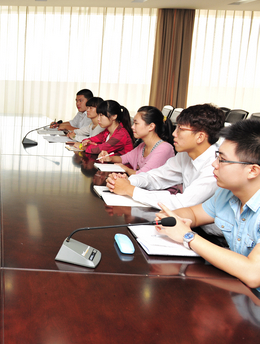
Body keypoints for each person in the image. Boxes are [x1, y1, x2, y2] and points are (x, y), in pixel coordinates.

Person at [154, 119, 260, 291]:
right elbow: (194, 214)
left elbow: (253, 274)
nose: (214, 164)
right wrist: (172, 217)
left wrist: (188, 236)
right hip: (238, 290)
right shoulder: (227, 193)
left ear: (253, 171)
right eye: (217, 156)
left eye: (222, 160)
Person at [106, 104, 225, 235]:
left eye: (180, 129)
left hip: (213, 236)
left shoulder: (216, 165)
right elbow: (156, 176)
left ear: (200, 137)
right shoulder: (185, 154)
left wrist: (130, 190)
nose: (174, 133)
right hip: (188, 224)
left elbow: (182, 203)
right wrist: (127, 181)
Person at [97, 106, 175, 175]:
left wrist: (126, 169)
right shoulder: (142, 146)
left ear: (151, 126)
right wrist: (109, 158)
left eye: (136, 123)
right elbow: (124, 158)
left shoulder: (164, 149)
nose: (132, 127)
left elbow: (143, 175)